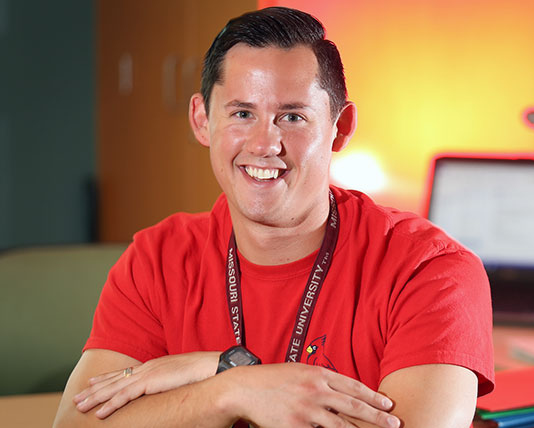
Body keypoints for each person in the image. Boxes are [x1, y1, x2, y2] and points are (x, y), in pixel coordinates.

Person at [53, 6, 494, 428]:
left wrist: (190, 387)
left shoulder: (430, 270)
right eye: (243, 114)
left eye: (292, 117)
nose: (265, 144)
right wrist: (230, 384)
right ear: (202, 120)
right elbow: (77, 423)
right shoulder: (158, 257)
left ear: (340, 128)